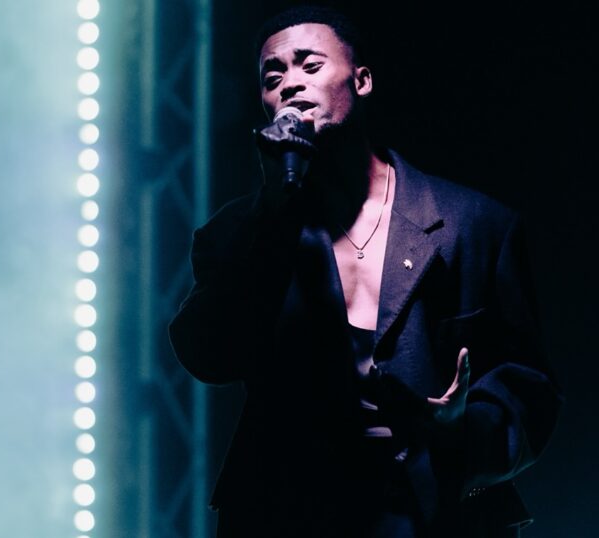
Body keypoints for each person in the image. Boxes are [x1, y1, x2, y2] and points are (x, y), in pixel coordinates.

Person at [168, 6, 562, 537]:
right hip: (291, 516)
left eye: (309, 65)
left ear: (362, 80)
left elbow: (529, 387)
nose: (289, 84)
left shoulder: (474, 225)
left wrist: (459, 428)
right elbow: (207, 353)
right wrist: (273, 209)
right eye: (273, 76)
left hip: (432, 516)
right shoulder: (238, 233)